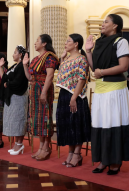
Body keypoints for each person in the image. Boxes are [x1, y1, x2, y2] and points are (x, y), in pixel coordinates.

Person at [85, 14, 129, 175]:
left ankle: (115, 161)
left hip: (115, 89)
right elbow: (94, 68)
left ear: (115, 26)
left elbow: (124, 66)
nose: (102, 24)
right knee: (100, 124)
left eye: (106, 22)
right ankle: (103, 160)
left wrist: (102, 72)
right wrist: (88, 51)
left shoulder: (121, 41)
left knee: (112, 123)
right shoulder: (99, 42)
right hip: (100, 89)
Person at [56, 34, 91, 167]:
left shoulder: (82, 59)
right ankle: (70, 153)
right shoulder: (66, 59)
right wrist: (62, 58)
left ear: (76, 44)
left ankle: (77, 154)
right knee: (67, 125)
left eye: (68, 41)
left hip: (76, 95)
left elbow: (82, 79)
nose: (65, 43)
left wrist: (74, 97)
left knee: (77, 124)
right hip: (64, 94)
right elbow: (62, 75)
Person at [23, 34, 60, 161]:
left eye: (37, 41)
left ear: (44, 43)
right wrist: (24, 65)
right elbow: (29, 77)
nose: (35, 43)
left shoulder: (49, 57)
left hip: (43, 88)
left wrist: (44, 93)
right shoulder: (35, 59)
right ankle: (41, 146)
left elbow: (50, 76)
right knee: (37, 119)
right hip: (34, 88)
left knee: (45, 117)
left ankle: (46, 147)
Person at [0, 45, 28, 155]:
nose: (13, 54)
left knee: (19, 120)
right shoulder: (14, 66)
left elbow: (18, 82)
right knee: (13, 120)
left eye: (15, 52)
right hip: (12, 96)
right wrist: (1, 68)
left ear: (20, 54)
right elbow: (5, 79)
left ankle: (20, 144)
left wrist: (8, 84)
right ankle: (16, 144)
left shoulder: (22, 66)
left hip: (19, 96)